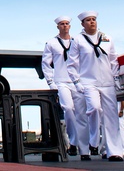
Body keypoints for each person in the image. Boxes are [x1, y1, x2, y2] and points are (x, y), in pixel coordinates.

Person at [66, 10, 124, 162]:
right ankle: (88, 146)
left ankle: (113, 151)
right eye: (88, 20)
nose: (92, 22)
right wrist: (76, 82)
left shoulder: (107, 38)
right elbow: (71, 63)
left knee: (111, 116)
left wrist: (115, 78)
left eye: (94, 19)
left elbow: (113, 60)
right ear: (82, 24)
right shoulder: (78, 40)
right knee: (93, 108)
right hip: (88, 82)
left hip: (107, 82)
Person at [41, 15, 82, 157]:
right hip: (61, 81)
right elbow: (46, 64)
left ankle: (83, 145)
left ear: (70, 26)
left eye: (67, 24)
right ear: (58, 26)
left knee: (81, 113)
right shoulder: (51, 43)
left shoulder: (77, 42)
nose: (65, 26)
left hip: (77, 81)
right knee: (68, 109)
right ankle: (73, 142)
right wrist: (51, 82)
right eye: (62, 24)